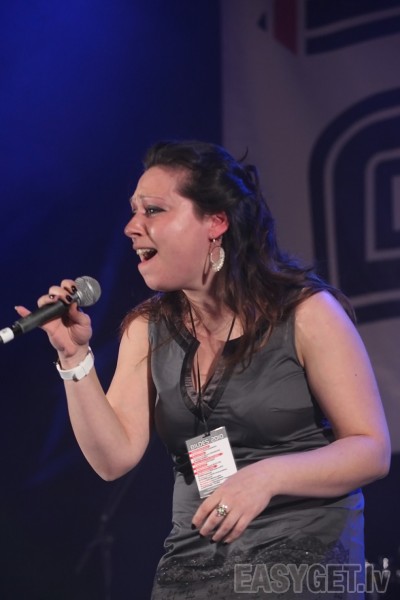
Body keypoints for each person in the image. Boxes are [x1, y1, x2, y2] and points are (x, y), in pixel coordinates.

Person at [17, 140, 390, 599]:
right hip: (194, 568)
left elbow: (371, 449)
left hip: (299, 565)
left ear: (216, 222)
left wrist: (267, 477)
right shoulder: (147, 328)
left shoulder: (307, 313)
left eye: (153, 210)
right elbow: (113, 460)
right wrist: (75, 359)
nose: (132, 227)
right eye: (134, 212)